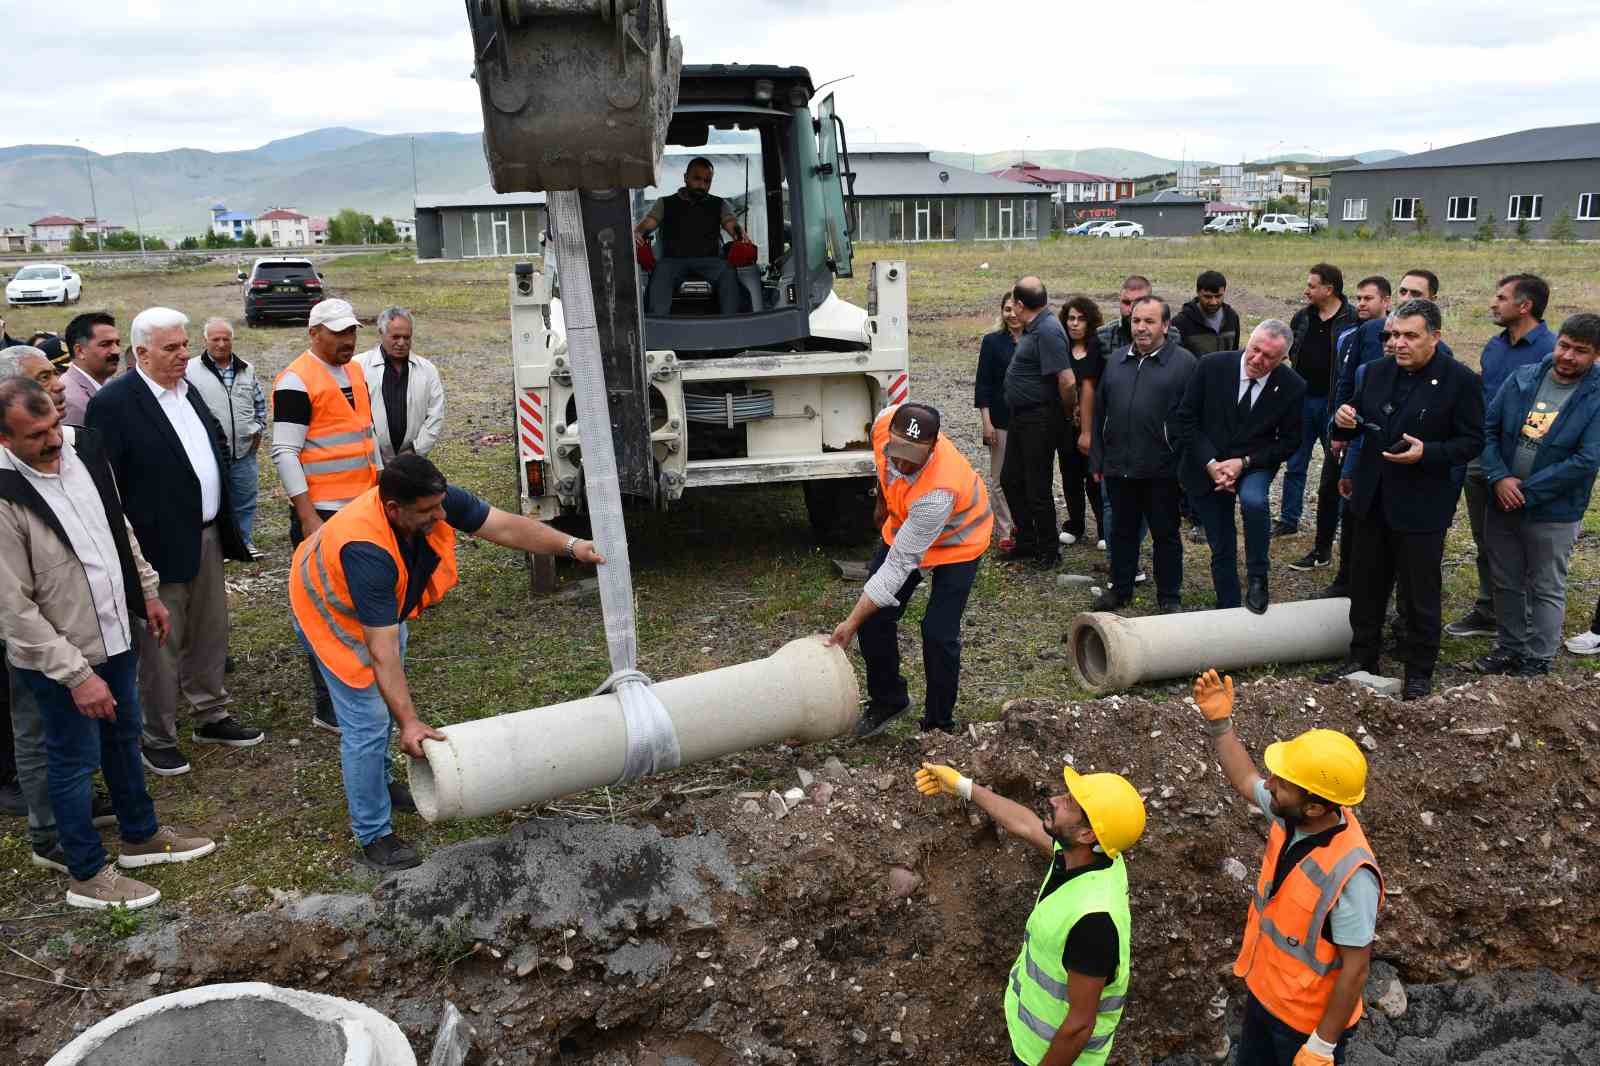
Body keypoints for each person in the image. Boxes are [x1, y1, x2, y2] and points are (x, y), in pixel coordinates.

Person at [290, 454, 603, 871]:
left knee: (384, 704)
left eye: (441, 506)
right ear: (393, 509)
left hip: (378, 610)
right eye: (428, 511)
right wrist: (410, 723)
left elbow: (506, 526)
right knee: (366, 722)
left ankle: (381, 783)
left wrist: (571, 546)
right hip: (330, 614)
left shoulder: (431, 500)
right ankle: (373, 834)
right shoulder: (367, 552)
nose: (441, 516)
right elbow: (381, 654)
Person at [0, 377, 218, 909]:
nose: (54, 441)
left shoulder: (81, 449)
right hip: (59, 659)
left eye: (54, 424)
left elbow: (116, 529)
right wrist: (77, 675)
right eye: (36, 436)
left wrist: (147, 593)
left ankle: (140, 836)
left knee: (123, 739)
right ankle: (86, 871)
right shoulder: (5, 496)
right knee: (72, 760)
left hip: (115, 631)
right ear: (4, 439)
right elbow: (14, 609)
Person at [86, 307, 261, 776]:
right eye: (171, 348)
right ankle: (157, 734)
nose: (185, 354)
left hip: (206, 536)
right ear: (140, 353)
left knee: (210, 631)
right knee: (160, 647)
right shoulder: (115, 404)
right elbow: (108, 488)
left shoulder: (189, 391)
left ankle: (211, 713)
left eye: (185, 345)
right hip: (155, 550)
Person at [1192, 669, 1381, 1066]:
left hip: (1305, 1024)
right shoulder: (1291, 813)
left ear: (1314, 805)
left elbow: (1356, 968)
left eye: (1282, 782)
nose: (1271, 783)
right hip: (1265, 995)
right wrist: (1220, 724)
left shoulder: (1350, 875)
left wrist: (1321, 1047)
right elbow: (1245, 779)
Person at [914, 759, 1145, 1066]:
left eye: (1068, 803)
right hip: (1035, 1042)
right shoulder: (1090, 857)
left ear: (1089, 835)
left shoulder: (1093, 923)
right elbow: (1024, 824)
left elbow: (1078, 1027)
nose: (1053, 800)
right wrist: (962, 786)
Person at [1324, 299, 1484, 700]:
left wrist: (1427, 452)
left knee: (1419, 592)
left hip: (1422, 502)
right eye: (1393, 335)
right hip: (1371, 498)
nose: (1398, 343)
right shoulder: (1375, 372)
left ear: (1435, 337)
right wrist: (1343, 421)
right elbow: (1355, 420)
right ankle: (1362, 656)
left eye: (1410, 335)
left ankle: (1419, 669)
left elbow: (1472, 441)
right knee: (1366, 584)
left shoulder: (1460, 381)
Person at [828, 403, 991, 738]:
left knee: (937, 632)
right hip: (905, 525)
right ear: (889, 435)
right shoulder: (883, 424)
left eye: (911, 458)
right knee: (877, 618)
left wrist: (851, 622)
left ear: (932, 447)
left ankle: (938, 726)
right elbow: (883, 467)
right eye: (896, 452)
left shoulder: (939, 491)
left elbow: (897, 567)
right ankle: (889, 700)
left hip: (959, 542)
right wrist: (882, 504)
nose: (900, 463)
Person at [272, 298, 383, 734]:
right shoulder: (297, 381)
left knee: (357, 604)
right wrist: (307, 517)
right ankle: (328, 702)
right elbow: (285, 451)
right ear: (314, 333)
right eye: (338, 333)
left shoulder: (354, 372)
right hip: (322, 513)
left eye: (352, 331)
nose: (348, 340)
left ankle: (361, 681)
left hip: (360, 508)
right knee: (323, 611)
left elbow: (364, 435)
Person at [1473, 314, 1600, 677]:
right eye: (1564, 345)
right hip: (1502, 499)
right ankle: (1510, 648)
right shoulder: (1525, 376)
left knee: (1546, 586)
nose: (1568, 356)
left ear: (1596, 355)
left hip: (1554, 510)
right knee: (1506, 580)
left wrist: (1525, 490)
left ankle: (1538, 659)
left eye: (1581, 351)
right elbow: (1490, 428)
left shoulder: (1595, 396)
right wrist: (1498, 477)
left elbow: (1586, 459)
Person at [1445, 274, 1556, 641]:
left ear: (1524, 306)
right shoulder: (1494, 348)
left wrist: (1516, 466)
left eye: (1501, 297)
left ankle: (1524, 621)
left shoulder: (1551, 352)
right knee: (1486, 537)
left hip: (1522, 463)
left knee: (1521, 543)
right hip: (1482, 455)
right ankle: (1488, 608)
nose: (1493, 303)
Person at [1174, 322, 1305, 612]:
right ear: (1248, 341)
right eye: (1254, 349)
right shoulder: (1211, 366)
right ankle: (1229, 603)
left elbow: (1290, 441)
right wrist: (1212, 465)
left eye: (1269, 357)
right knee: (1221, 540)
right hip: (1207, 463)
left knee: (1254, 501)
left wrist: (1244, 463)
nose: (1257, 360)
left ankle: (1258, 575)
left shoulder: (1293, 386)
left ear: (1283, 359)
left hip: (1254, 462)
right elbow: (1186, 419)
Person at [1090, 297, 1195, 612]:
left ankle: (1169, 596)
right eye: (1136, 321)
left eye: (1149, 322)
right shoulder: (1117, 360)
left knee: (1165, 535)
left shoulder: (1184, 364)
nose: (1141, 328)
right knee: (1122, 532)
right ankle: (1120, 589)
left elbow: (1193, 419)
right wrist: (1098, 457)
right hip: (1119, 466)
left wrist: (1184, 464)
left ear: (1165, 325)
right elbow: (1100, 412)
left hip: (1162, 469)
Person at [1300, 276, 1391, 585]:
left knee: (1359, 503)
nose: (1362, 304)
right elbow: (1343, 381)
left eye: (1369, 299)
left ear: (1386, 302)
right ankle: (1323, 550)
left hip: (1376, 436)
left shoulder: (1393, 340)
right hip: (1343, 427)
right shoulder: (1350, 335)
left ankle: (1363, 572)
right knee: (1330, 487)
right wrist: (1337, 428)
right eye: (1360, 298)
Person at [999, 277, 1076, 569]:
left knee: (1037, 485)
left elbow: (1067, 381)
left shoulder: (1048, 331)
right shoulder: (1035, 328)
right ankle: (1027, 541)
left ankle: (1048, 550)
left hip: (1039, 418)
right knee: (1011, 479)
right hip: (1022, 417)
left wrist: (1067, 414)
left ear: (1019, 305)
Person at [1278, 264, 1357, 537]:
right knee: (1295, 462)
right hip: (1302, 401)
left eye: (1312, 286)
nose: (1306, 290)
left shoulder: (1353, 320)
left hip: (1333, 405)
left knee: (1336, 465)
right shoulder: (1301, 318)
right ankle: (1288, 519)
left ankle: (1332, 524)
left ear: (1329, 289)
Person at [186, 317, 267, 557]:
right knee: (214, 500)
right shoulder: (190, 370)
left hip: (244, 451)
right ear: (205, 341)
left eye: (226, 339)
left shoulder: (246, 369)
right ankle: (216, 549)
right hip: (209, 452)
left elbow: (259, 403)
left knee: (245, 499)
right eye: (215, 339)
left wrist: (258, 429)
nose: (221, 344)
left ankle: (243, 542)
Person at [635, 157, 754, 316]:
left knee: (727, 270)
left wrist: (741, 236)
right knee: (660, 270)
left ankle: (732, 324)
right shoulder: (665, 203)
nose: (702, 185)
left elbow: (731, 223)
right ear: (686, 177)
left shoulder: (718, 204)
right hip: (673, 261)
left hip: (710, 261)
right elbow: (648, 223)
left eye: (707, 181)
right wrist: (637, 232)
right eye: (697, 179)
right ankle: (658, 325)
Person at [356, 307, 446, 463]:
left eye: (407, 337)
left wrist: (414, 451)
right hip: (368, 461)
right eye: (395, 337)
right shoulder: (358, 366)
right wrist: (375, 457)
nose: (401, 343)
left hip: (412, 460)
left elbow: (435, 415)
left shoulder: (427, 370)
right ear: (381, 333)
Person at [1057, 296, 1107, 548]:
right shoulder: (1061, 348)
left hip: (1094, 425)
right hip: (1066, 425)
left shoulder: (1098, 348)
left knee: (1094, 477)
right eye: (1071, 318)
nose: (1074, 324)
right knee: (1070, 476)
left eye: (1080, 319)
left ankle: (1103, 528)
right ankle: (1075, 524)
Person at [975, 293, 1020, 551]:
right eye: (1007, 309)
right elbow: (984, 384)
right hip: (1000, 421)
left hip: (1030, 423)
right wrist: (986, 422)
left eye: (1016, 309)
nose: (1012, 315)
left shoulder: (1036, 340)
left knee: (1025, 477)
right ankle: (1004, 529)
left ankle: (1022, 523)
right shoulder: (992, 342)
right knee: (1000, 477)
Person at [61, 312, 122, 426]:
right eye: (105, 344)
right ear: (80, 351)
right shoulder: (69, 400)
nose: (116, 351)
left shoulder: (111, 385)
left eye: (117, 343)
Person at [1172, 270, 1242, 356]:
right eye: (1207, 297)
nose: (1213, 302)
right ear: (1198, 292)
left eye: (1218, 296)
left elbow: (1234, 353)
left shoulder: (1232, 317)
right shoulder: (1181, 322)